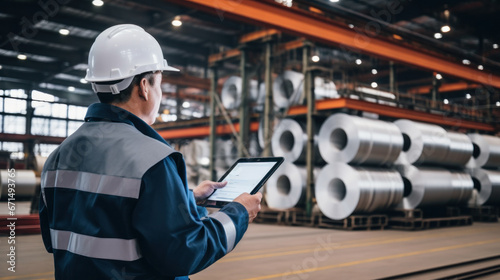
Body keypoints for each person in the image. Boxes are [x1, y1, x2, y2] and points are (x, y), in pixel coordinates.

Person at [39, 24, 262, 280]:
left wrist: (186, 199)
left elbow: (56, 237)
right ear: (144, 86)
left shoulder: (58, 157)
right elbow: (184, 253)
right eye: (160, 84)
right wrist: (239, 212)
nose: (161, 94)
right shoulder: (152, 160)